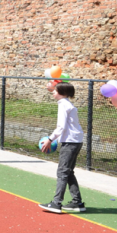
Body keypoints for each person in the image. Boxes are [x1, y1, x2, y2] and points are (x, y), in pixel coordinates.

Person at [39, 82, 86, 214]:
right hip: (76, 141)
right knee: (68, 171)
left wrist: (49, 139)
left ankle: (56, 203)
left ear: (63, 93)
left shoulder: (64, 105)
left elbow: (61, 127)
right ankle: (77, 202)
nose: (53, 92)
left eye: (55, 91)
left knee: (62, 172)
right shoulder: (67, 104)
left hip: (70, 142)